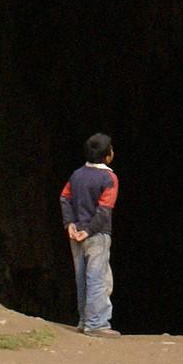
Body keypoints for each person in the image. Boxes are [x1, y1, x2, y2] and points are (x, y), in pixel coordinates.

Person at [60, 133, 120, 336]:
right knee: (98, 278)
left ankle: (84, 320)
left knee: (81, 278)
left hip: (75, 234)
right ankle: (96, 324)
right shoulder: (109, 178)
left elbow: (64, 197)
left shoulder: (76, 174)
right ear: (107, 156)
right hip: (96, 235)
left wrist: (70, 223)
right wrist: (88, 230)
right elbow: (104, 210)